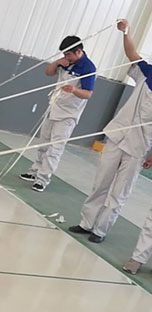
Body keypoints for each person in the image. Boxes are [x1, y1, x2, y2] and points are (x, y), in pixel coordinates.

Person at [69, 19, 152, 244]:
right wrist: (126, 32)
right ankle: (87, 223)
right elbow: (132, 53)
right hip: (117, 135)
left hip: (139, 146)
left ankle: (101, 230)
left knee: (120, 191)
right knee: (101, 182)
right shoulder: (148, 72)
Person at [19, 36, 96, 192]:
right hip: (54, 107)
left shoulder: (88, 67)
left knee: (55, 148)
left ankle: (43, 179)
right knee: (43, 142)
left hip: (69, 114)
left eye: (68, 54)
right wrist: (57, 63)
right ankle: (35, 171)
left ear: (78, 52)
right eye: (64, 54)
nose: (66, 57)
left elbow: (88, 94)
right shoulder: (65, 61)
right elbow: (48, 72)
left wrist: (74, 90)